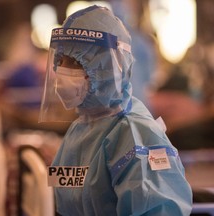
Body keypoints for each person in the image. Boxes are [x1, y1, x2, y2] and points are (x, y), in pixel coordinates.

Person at [39, 5, 193, 216]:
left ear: (107, 67)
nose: (62, 71)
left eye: (75, 61)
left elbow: (157, 209)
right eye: (61, 60)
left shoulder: (135, 135)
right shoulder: (80, 131)